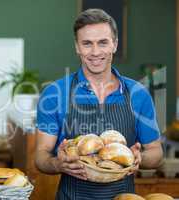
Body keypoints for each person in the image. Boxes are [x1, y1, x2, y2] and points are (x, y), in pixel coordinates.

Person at [35, 8, 163, 200]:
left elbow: (156, 153)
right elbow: (40, 155)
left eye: (103, 42)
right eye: (87, 44)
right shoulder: (54, 94)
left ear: (115, 44)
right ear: (77, 47)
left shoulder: (138, 94)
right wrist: (57, 164)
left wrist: (140, 158)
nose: (95, 52)